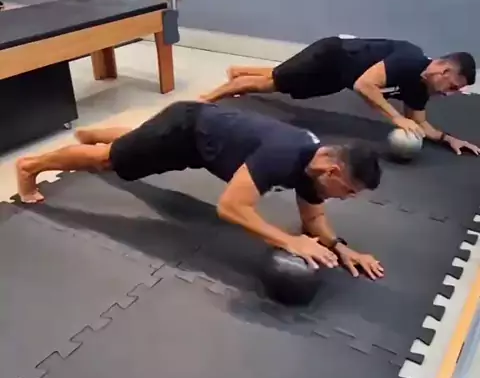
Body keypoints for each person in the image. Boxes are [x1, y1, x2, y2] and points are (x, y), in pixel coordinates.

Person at [16, 100, 384, 279]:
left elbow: (313, 218)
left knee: (131, 146)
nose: (348, 198)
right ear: (333, 171)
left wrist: (342, 248)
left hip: (203, 142)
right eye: (350, 190)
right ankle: (30, 166)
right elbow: (231, 207)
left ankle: (96, 135)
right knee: (107, 161)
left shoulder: (317, 170)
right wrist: (289, 241)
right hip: (184, 130)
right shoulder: (284, 154)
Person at [200, 37, 479, 155]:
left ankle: (239, 71)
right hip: (329, 56)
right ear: (443, 70)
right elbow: (364, 85)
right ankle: (208, 97)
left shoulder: (422, 86)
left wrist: (448, 139)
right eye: (453, 86)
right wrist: (396, 118)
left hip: (337, 77)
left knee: (284, 81)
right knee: (271, 84)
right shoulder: (410, 60)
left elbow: (419, 122)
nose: (450, 94)